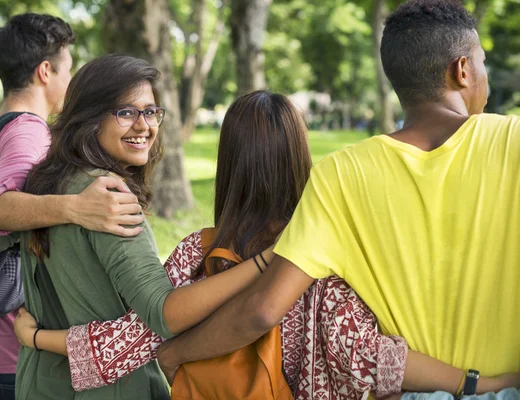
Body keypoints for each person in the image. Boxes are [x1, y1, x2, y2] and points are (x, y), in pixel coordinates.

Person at [11, 91, 520, 399]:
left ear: (229, 164)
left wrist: (36, 338)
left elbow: (127, 343)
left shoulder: (199, 252)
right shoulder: (325, 253)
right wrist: (478, 383)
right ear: (299, 157)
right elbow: (367, 355)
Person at [151, 1, 520, 398]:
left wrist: (175, 354)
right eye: (482, 61)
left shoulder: (342, 173)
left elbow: (263, 309)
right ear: (462, 70)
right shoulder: (513, 142)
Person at [0, 14, 142, 400]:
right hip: (11, 363)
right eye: (68, 70)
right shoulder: (30, 133)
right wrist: (76, 207)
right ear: (44, 71)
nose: (70, 82)